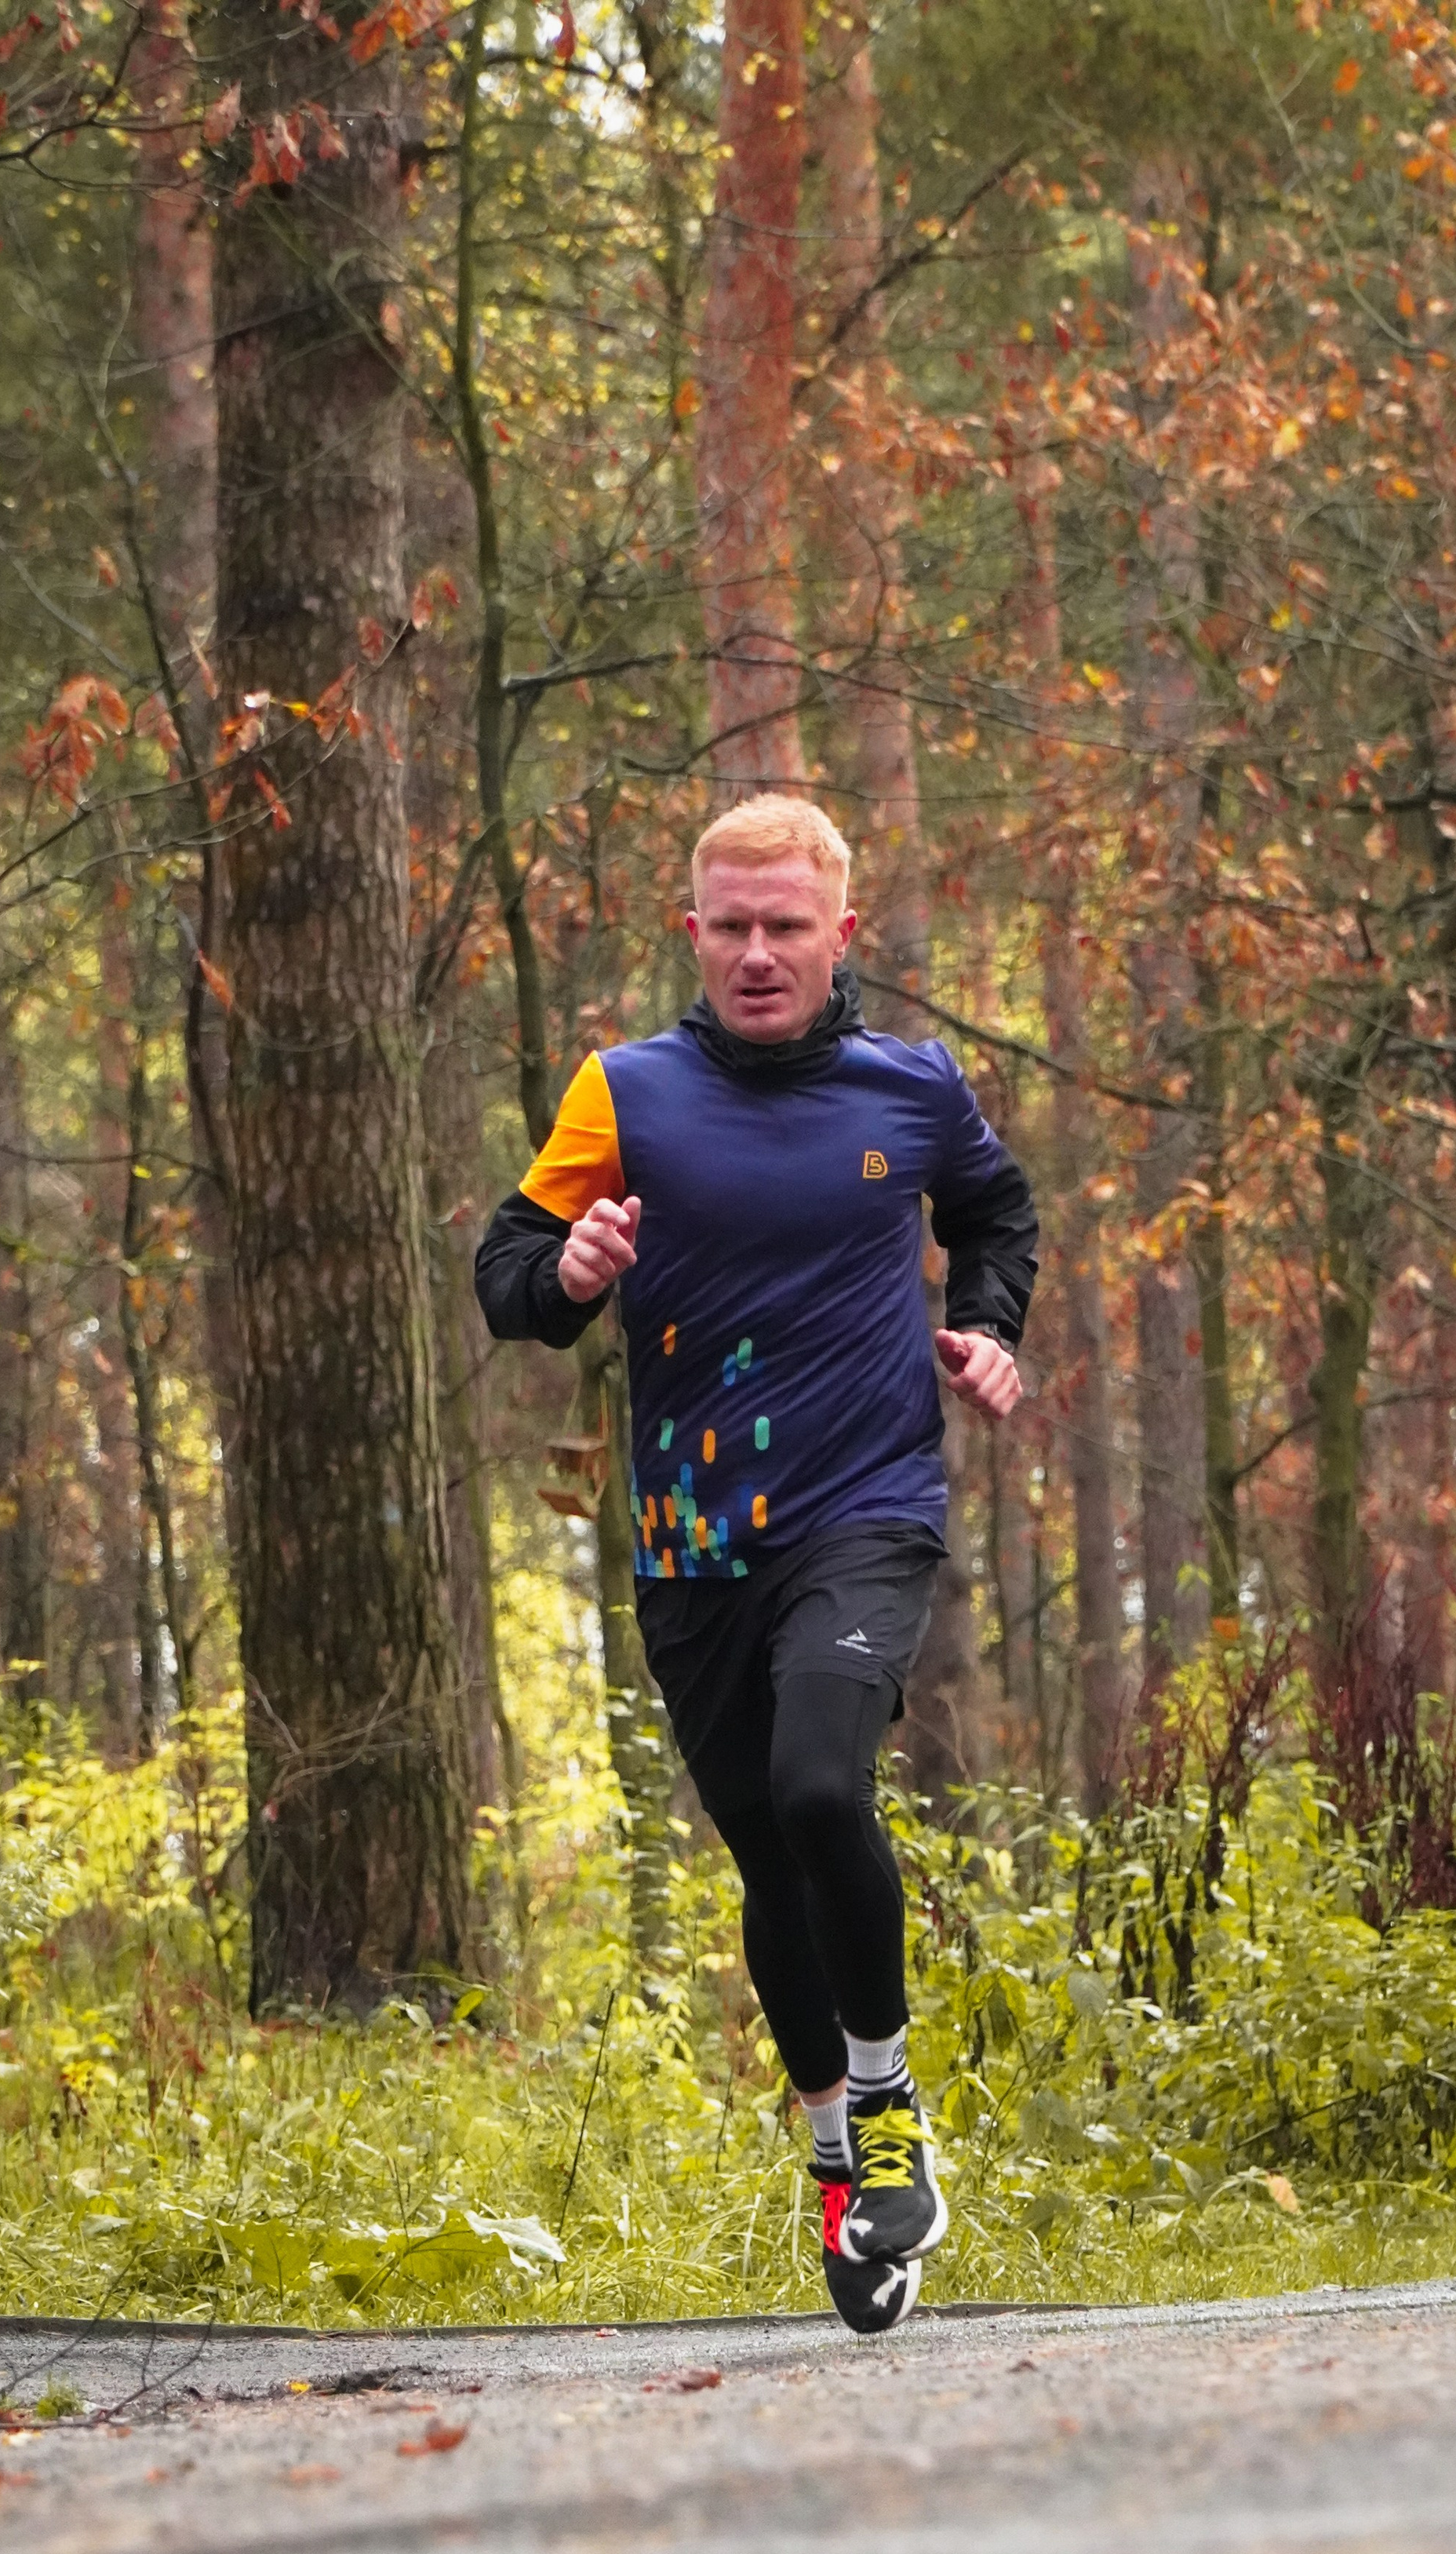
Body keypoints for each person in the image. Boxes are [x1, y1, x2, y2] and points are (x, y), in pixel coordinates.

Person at [475, 794, 1036, 2332]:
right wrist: (567, 1272)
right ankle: (836, 2165)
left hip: (862, 1506)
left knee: (817, 1788)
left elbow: (995, 1212)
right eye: (727, 925)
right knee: (760, 1851)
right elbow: (506, 1274)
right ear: (692, 932)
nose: (755, 953)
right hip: (690, 1535)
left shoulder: (910, 1090)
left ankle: (886, 2096)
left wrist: (986, 1328)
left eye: (784, 925)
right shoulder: (626, 1092)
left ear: (838, 932)